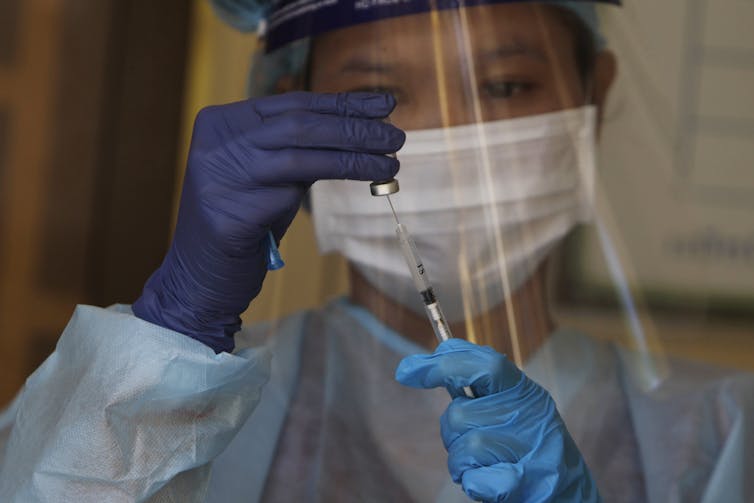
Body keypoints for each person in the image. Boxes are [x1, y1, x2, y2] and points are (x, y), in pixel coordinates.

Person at [1, 1, 752, 502]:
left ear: (597, 91)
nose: (454, 146)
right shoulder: (179, 415)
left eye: (505, 85)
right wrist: (173, 329)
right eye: (380, 97)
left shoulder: (722, 432)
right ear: (290, 104)